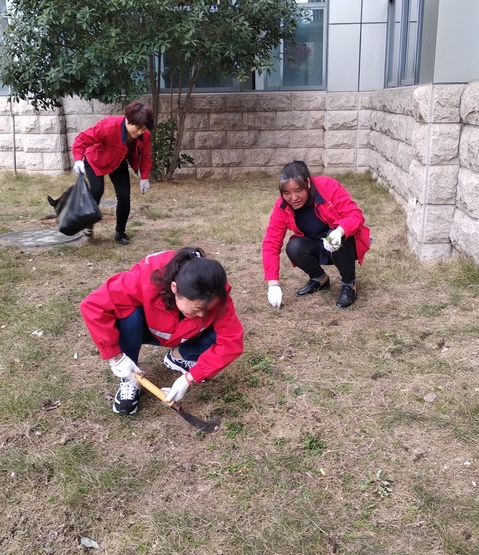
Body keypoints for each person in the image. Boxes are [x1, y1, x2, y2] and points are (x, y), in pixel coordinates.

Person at [79, 247, 244, 416]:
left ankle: (180, 356)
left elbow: (231, 341)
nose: (202, 314)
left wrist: (189, 378)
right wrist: (116, 357)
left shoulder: (216, 292)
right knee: (127, 315)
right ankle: (130, 378)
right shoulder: (146, 277)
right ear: (174, 288)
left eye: (208, 308)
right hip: (147, 329)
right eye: (197, 308)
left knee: (219, 331)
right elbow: (93, 305)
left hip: (185, 335)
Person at [262, 161, 371, 309]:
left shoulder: (327, 185)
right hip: (316, 245)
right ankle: (319, 279)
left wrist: (339, 232)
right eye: (287, 193)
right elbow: (271, 243)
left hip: (343, 245)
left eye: (298, 190)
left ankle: (349, 284)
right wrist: (273, 284)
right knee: (294, 246)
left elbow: (355, 215)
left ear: (307, 183)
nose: (293, 198)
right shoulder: (282, 206)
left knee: (335, 238)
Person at [71, 100, 155, 245]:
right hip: (95, 159)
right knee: (97, 190)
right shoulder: (108, 126)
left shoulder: (144, 135)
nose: (140, 132)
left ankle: (120, 233)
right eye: (137, 128)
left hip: (118, 161)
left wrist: (144, 178)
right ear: (128, 119)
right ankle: (87, 226)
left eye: (143, 129)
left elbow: (146, 157)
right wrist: (78, 159)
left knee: (124, 197)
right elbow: (82, 139)